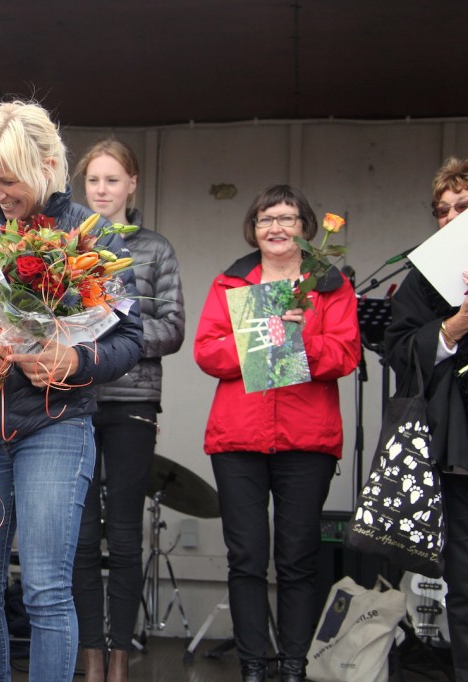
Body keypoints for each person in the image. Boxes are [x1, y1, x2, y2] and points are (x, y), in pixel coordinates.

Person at [0, 100, 144, 682]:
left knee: (48, 587)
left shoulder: (87, 236)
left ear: (47, 164)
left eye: (6, 180)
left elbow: (130, 339)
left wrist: (74, 358)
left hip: (56, 425)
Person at [193, 185, 360, 682]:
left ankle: (292, 665)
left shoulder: (330, 285)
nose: (277, 227)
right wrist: (259, 333)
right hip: (238, 440)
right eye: (267, 219)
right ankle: (252, 665)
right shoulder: (231, 283)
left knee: (298, 559)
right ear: (254, 228)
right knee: (245, 558)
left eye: (288, 218)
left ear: (306, 228)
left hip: (306, 440)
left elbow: (345, 355)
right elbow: (206, 352)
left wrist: (299, 333)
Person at [71, 139, 185, 682]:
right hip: (73, 400)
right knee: (80, 535)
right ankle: (90, 654)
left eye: (113, 180)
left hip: (133, 402)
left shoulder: (156, 249)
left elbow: (173, 330)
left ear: (132, 184)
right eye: (94, 180)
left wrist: (112, 333)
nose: (102, 190)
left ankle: (120, 657)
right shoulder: (66, 243)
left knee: (123, 533)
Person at [385, 156, 468, 680]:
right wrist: (454, 327)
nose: (451, 217)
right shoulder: (423, 278)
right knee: (463, 581)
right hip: (455, 449)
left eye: (463, 206)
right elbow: (398, 349)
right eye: (442, 210)